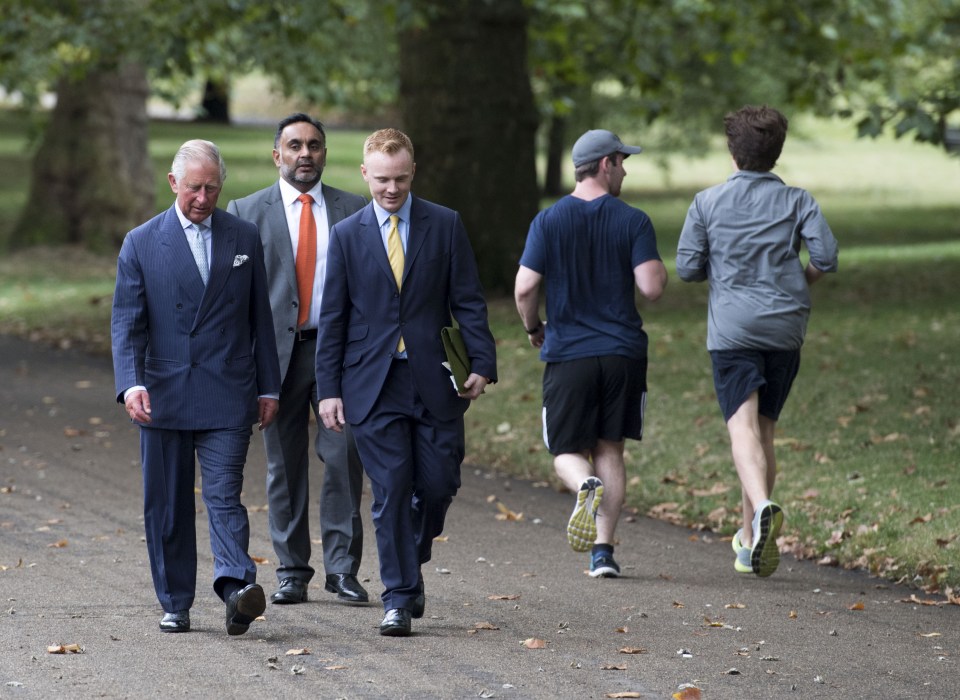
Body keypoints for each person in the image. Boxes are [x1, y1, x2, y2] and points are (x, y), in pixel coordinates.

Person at [316, 128, 497, 637]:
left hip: (436, 379)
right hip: (372, 383)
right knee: (391, 490)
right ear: (364, 175)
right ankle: (397, 596)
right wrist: (328, 388)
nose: (390, 190)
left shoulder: (444, 225)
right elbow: (335, 318)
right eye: (380, 181)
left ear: (412, 172)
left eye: (399, 179)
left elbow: (468, 299)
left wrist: (481, 361)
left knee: (438, 484)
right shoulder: (348, 234)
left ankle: (408, 562)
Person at [111, 139, 282, 634]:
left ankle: (236, 587)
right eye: (194, 188)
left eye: (212, 188)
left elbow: (260, 321)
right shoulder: (141, 242)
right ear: (173, 184)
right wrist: (131, 384)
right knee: (167, 504)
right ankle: (175, 600)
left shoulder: (243, 236)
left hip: (228, 390)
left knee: (225, 495)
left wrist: (268, 386)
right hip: (162, 394)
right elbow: (127, 324)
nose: (203, 198)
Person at [675, 105, 838, 577]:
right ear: (777, 151)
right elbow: (825, 258)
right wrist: (799, 283)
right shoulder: (797, 200)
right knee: (764, 431)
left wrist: (727, 271)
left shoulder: (706, 202)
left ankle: (763, 504)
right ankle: (749, 539)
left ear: (732, 151)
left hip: (733, 330)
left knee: (741, 428)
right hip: (786, 328)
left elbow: (687, 268)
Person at [227, 114, 370, 607]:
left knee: (345, 456)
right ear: (277, 155)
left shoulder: (354, 210)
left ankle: (343, 569)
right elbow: (234, 296)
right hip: (276, 356)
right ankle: (291, 569)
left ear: (324, 154)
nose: (304, 153)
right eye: (294, 145)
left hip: (339, 355)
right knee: (283, 466)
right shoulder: (245, 211)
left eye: (313, 145)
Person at [515, 129, 667, 579]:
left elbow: (525, 287)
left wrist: (533, 327)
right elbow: (652, 288)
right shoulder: (633, 220)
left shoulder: (548, 220)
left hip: (569, 354)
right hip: (621, 354)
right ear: (606, 164)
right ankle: (603, 552)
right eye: (622, 162)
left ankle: (584, 486)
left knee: (565, 449)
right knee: (610, 448)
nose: (625, 170)